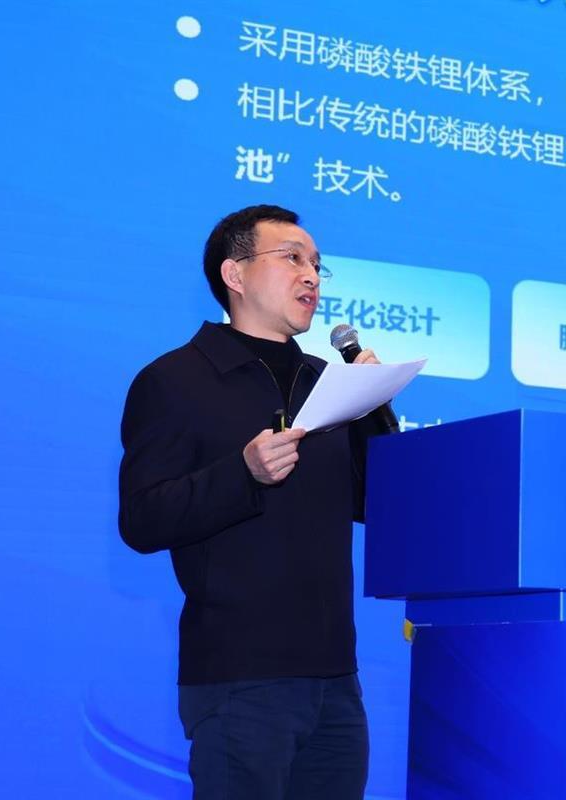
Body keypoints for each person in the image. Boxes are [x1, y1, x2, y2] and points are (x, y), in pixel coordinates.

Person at [118, 204, 385, 799]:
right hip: (239, 677)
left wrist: (372, 409)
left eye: (317, 264)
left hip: (337, 680)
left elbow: (376, 505)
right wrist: (243, 474)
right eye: (292, 258)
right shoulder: (175, 380)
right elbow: (142, 518)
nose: (311, 275)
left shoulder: (327, 381)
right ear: (234, 274)